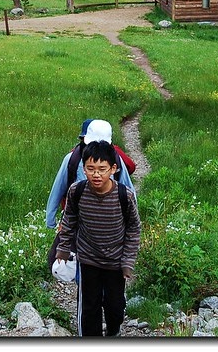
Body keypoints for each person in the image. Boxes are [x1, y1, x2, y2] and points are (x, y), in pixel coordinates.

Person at [55, 140, 141, 337]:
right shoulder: (77, 192)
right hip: (88, 260)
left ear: (113, 169)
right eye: (90, 168)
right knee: (89, 308)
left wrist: (128, 261)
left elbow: (134, 229)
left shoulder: (123, 196)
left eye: (102, 169)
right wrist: (63, 248)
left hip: (115, 262)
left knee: (115, 307)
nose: (96, 174)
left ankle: (113, 331)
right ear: (83, 168)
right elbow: (69, 221)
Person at [45, 119, 136, 230]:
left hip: (108, 224)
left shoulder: (115, 160)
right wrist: (50, 223)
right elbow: (57, 190)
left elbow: (129, 191)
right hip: (78, 224)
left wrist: (132, 223)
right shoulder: (71, 159)